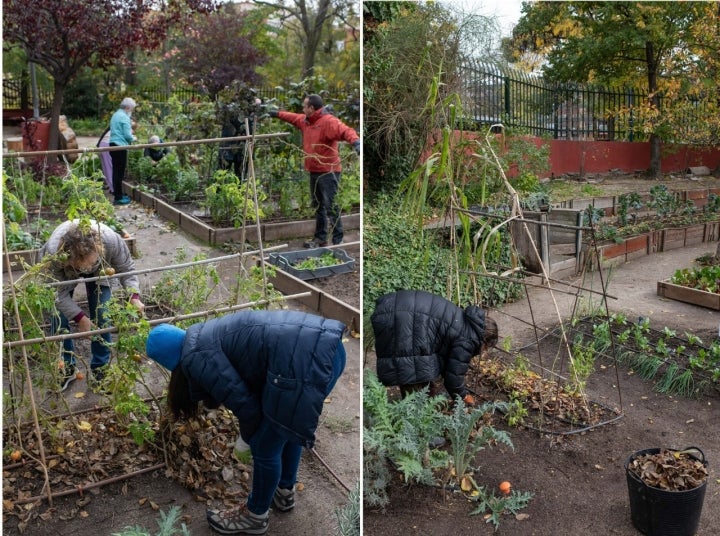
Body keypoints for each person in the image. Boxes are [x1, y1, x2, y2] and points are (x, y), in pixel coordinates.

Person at [145, 310, 346, 535]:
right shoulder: (201, 336)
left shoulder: (196, 357)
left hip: (304, 365)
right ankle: (284, 491)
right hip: (329, 350)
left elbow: (247, 408)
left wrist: (246, 440)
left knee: (264, 445)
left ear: (169, 359)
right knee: (287, 427)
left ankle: (255, 516)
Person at [40, 219, 145, 391]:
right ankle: (67, 366)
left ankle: (100, 369)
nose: (86, 269)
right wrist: (80, 318)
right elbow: (56, 293)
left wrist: (133, 295)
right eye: (81, 266)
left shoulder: (111, 240)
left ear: (98, 249)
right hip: (65, 274)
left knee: (103, 313)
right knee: (58, 318)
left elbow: (127, 268)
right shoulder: (53, 254)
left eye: (90, 264)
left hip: (101, 270)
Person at [370, 289, 498, 405]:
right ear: (485, 341)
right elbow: (453, 376)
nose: (484, 352)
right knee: (410, 369)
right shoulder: (469, 339)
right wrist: (464, 397)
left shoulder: (467, 321)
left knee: (416, 367)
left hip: (396, 309)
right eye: (486, 349)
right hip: (402, 319)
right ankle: (413, 412)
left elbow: (445, 361)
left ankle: (419, 401)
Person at [269, 94, 360, 248]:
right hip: (314, 171)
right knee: (318, 206)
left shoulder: (328, 121)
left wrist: (356, 142)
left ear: (311, 108)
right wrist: (276, 114)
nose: (303, 109)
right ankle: (320, 238)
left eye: (305, 106)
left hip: (329, 171)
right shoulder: (306, 121)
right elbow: (292, 117)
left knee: (331, 205)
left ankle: (338, 241)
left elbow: (345, 130)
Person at [109, 97, 137, 205]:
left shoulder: (115, 115)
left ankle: (118, 194)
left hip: (112, 145)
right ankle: (118, 198)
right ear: (128, 107)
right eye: (132, 109)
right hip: (120, 146)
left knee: (116, 171)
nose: (132, 111)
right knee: (119, 173)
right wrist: (134, 138)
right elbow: (127, 135)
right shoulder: (124, 117)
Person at [96, 127, 113, 194]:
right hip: (107, 145)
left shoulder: (111, 126)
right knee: (109, 168)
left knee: (106, 168)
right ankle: (113, 189)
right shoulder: (119, 126)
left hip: (101, 145)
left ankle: (108, 185)